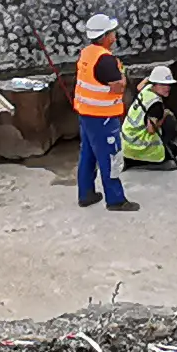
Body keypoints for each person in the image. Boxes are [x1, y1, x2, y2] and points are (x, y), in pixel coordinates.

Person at [71, 12, 134, 210]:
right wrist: (123, 73)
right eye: (112, 33)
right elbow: (119, 87)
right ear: (105, 36)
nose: (115, 36)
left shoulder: (86, 53)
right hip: (104, 118)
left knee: (88, 156)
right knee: (111, 159)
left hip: (86, 115)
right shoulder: (106, 60)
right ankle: (116, 200)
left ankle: (86, 194)